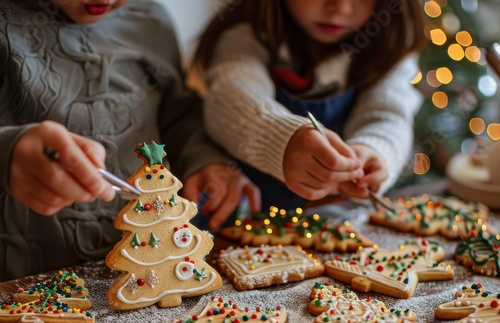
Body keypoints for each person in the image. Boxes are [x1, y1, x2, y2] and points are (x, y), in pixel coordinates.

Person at [0, 0, 260, 281]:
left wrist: (203, 158)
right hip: (24, 274)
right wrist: (8, 151)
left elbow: (176, 114)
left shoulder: (150, 20)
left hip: (153, 271)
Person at [189, 0, 426, 211]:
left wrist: (374, 151)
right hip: (242, 212)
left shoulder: (388, 44)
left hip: (329, 216)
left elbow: (388, 115)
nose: (340, 7)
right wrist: (281, 141)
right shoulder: (246, 36)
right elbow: (231, 97)